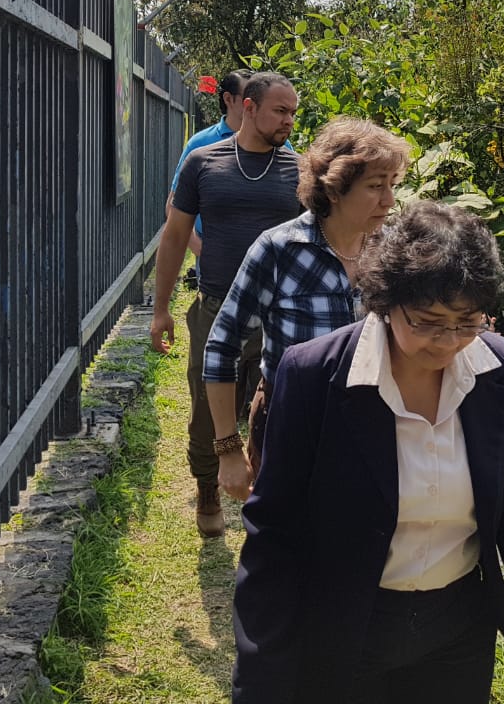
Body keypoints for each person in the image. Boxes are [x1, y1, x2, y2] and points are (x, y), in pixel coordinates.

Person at [225, 202, 504, 703]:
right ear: (385, 301)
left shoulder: (498, 371)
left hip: (458, 632)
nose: (448, 342)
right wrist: (260, 681)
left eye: (467, 321)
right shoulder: (314, 376)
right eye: (427, 322)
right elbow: (275, 534)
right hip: (344, 629)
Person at [203, 117, 411, 497]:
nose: (389, 201)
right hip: (291, 427)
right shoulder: (278, 250)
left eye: (392, 186)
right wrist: (228, 450)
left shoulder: (392, 250)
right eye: (375, 187)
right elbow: (222, 346)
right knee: (289, 545)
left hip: (375, 426)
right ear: (334, 189)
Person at [151, 71, 301, 536]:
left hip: (279, 314)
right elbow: (175, 236)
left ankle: (267, 493)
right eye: (281, 111)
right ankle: (208, 486)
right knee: (205, 406)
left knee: (273, 408)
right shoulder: (203, 162)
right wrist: (161, 310)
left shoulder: (299, 170)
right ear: (249, 107)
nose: (289, 122)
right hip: (216, 307)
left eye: (294, 113)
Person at [166, 69, 250, 262]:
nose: (254, 103)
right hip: (213, 249)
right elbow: (173, 205)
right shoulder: (200, 144)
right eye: (248, 96)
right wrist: (201, 251)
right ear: (228, 99)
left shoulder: (276, 143)